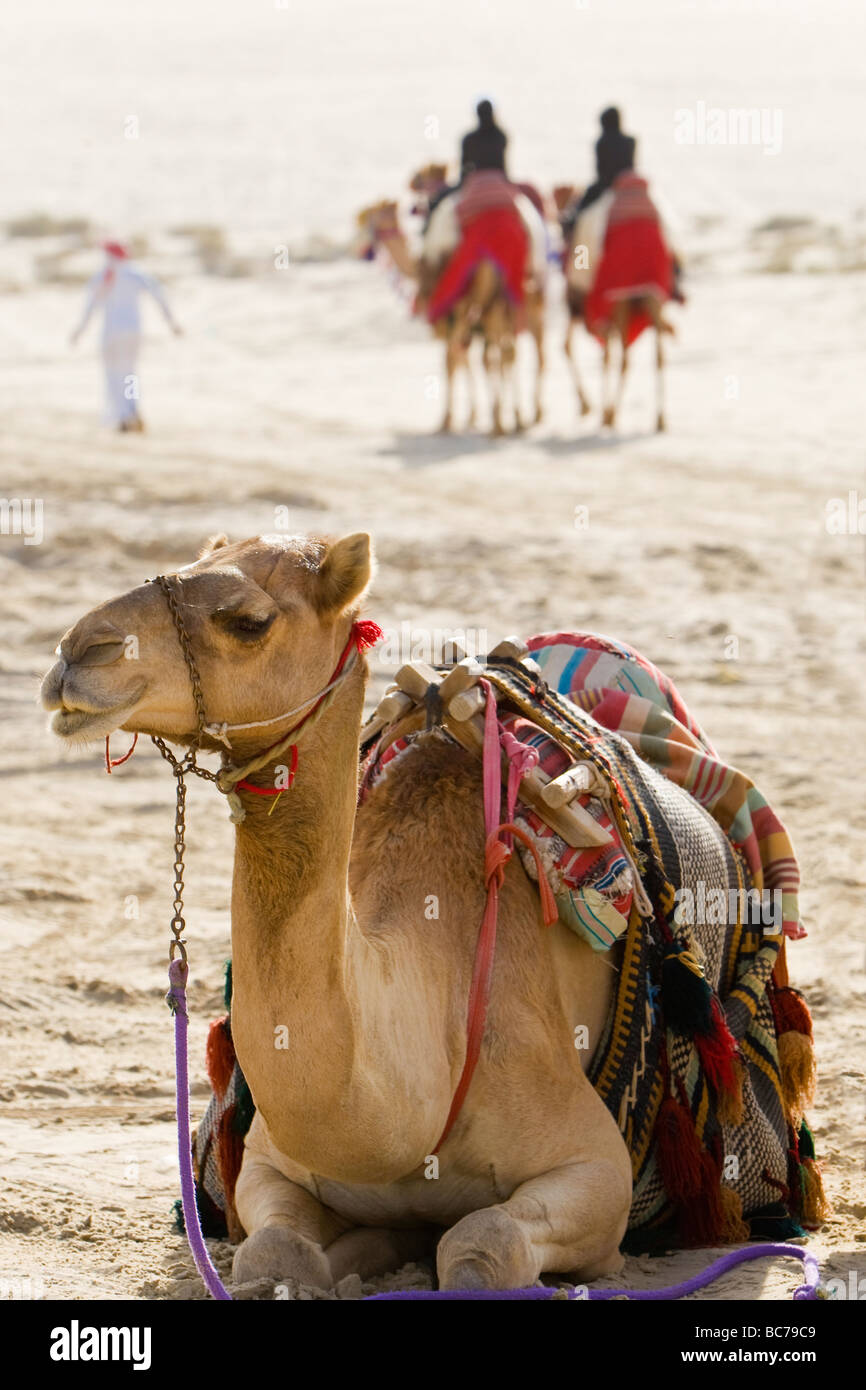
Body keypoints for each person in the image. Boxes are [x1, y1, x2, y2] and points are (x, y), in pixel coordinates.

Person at [70, 241, 181, 431]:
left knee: (113, 375)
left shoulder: (103, 276)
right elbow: (158, 295)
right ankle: (132, 410)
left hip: (111, 333)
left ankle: (121, 415)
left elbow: (91, 307)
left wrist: (80, 331)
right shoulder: (135, 273)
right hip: (133, 331)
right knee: (130, 374)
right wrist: (171, 322)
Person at [562, 106, 637, 238]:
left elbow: (600, 170)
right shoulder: (631, 141)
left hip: (606, 185)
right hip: (631, 185)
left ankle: (570, 229)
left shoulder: (601, 142)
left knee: (578, 214)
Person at [460, 99, 508, 178]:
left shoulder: (469, 139)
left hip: (477, 180)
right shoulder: (501, 136)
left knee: (443, 191)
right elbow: (503, 167)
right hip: (499, 178)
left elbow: (464, 172)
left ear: (477, 114)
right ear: (492, 113)